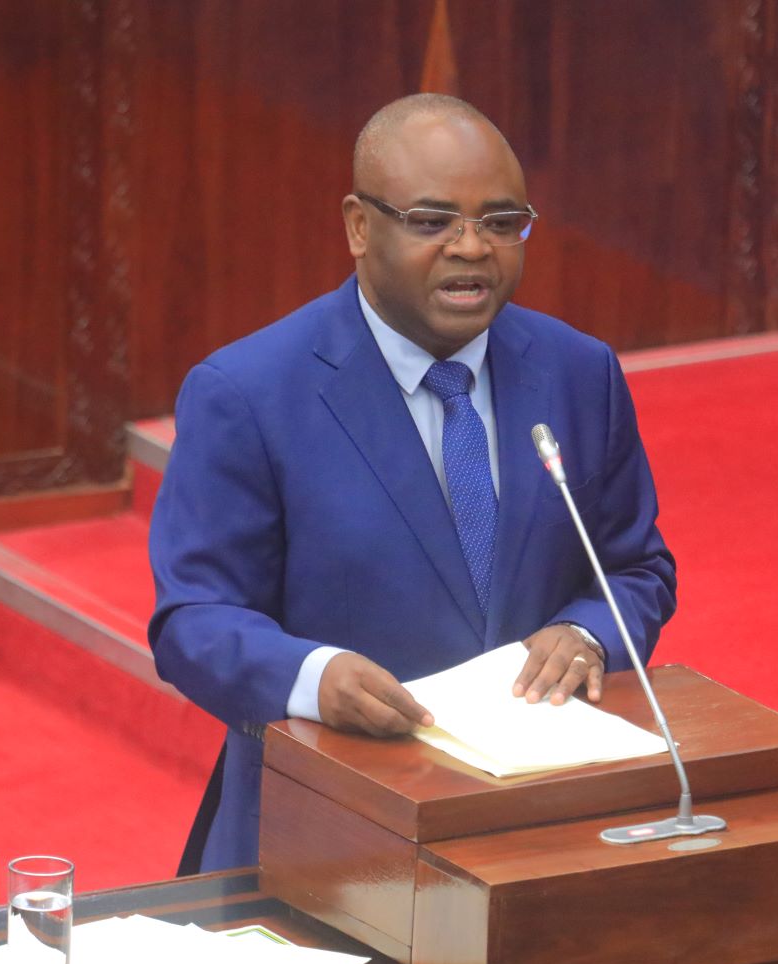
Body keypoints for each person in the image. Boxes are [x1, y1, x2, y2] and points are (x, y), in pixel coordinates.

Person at [148, 93, 676, 873]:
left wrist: (589, 632)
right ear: (360, 227)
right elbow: (193, 619)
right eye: (433, 222)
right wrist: (312, 678)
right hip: (324, 837)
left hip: (538, 824)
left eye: (502, 223)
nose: (472, 248)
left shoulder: (578, 372)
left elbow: (634, 567)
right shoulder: (249, 392)